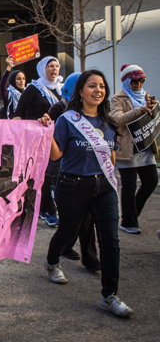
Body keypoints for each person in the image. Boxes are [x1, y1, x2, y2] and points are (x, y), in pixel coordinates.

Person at [39, 70, 134, 318]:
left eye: (102, 86)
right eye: (92, 86)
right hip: (72, 185)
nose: (98, 90)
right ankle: (52, 261)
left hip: (104, 187)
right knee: (67, 232)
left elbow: (111, 158)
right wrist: (47, 132)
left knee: (110, 241)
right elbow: (56, 155)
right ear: (80, 91)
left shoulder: (107, 122)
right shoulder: (67, 120)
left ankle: (109, 295)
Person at [48, 73, 101, 271]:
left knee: (87, 220)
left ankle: (89, 257)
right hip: (65, 172)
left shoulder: (95, 114)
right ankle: (57, 254)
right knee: (71, 225)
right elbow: (48, 137)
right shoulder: (60, 110)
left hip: (91, 174)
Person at [14, 56, 63, 227]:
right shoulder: (33, 89)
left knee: (54, 174)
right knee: (43, 174)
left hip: (57, 139)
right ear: (43, 68)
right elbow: (19, 113)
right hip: (36, 139)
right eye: (50, 66)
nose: (54, 69)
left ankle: (48, 207)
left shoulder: (62, 90)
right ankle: (47, 210)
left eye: (56, 66)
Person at [110, 64, 158, 235]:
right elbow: (116, 120)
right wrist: (138, 111)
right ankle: (128, 221)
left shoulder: (146, 96)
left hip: (145, 147)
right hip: (127, 148)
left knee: (151, 181)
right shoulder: (118, 98)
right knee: (129, 186)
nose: (138, 84)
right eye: (134, 81)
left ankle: (132, 213)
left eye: (141, 80)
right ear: (126, 81)